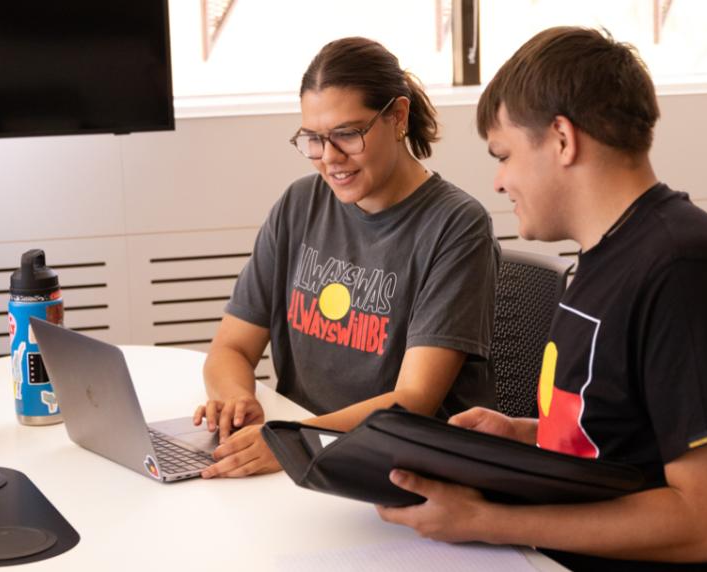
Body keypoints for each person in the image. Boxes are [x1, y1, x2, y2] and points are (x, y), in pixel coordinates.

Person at [376, 27, 707, 571]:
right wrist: (526, 436)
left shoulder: (687, 276)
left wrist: (486, 521)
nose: (499, 181)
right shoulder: (609, 253)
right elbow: (629, 437)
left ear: (561, 139)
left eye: (504, 155)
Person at [193, 37, 499, 479]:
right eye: (313, 139)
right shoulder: (300, 204)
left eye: (347, 134)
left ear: (397, 116)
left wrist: (290, 440)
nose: (330, 158)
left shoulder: (456, 225)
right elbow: (231, 348)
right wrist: (237, 400)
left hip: (400, 469)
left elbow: (413, 399)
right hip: (307, 457)